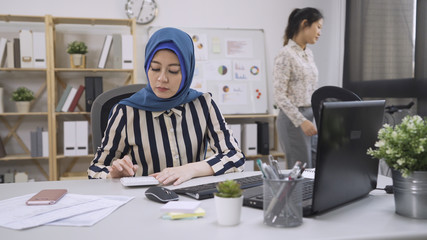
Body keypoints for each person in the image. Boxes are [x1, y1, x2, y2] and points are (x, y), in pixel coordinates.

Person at [88, 27, 245, 185]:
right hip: (144, 199)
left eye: (173, 71)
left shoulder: (204, 104)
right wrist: (112, 173)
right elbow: (95, 170)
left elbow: (235, 156)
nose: (162, 78)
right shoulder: (126, 112)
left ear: (187, 72)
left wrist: (190, 170)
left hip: (193, 199)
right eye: (155, 68)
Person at [273, 7, 323, 169]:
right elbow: (280, 96)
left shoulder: (309, 54)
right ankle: (296, 196)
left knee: (315, 167)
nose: (320, 32)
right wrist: (302, 121)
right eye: (318, 27)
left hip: (311, 116)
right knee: (300, 171)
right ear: (304, 24)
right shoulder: (285, 54)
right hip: (293, 119)